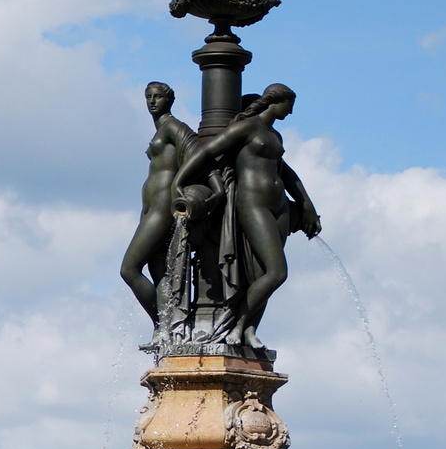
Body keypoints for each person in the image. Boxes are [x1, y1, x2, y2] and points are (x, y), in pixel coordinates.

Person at [170, 82, 322, 350]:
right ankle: (236, 324)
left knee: (261, 274)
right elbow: (206, 151)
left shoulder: (274, 135)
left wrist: (306, 203)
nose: (292, 111)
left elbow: (285, 173)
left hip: (279, 207)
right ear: (277, 100)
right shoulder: (247, 127)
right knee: (277, 272)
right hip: (254, 205)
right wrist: (178, 181)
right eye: (290, 104)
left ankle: (250, 329)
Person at [120, 82, 200, 322]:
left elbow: (198, 153)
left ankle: (161, 324)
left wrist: (179, 184)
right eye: (148, 97)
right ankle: (170, 326)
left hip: (162, 207)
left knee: (129, 269)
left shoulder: (173, 127)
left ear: (170, 100)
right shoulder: (160, 130)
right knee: (159, 271)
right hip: (151, 208)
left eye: (158, 97)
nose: (152, 101)